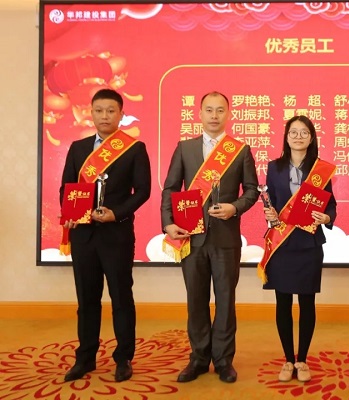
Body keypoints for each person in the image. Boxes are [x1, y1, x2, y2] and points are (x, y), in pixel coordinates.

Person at [161, 91, 259, 384]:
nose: (214, 115)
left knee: (226, 301)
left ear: (228, 114)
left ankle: (224, 360)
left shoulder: (240, 150)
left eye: (220, 110)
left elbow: (251, 190)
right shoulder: (185, 148)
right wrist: (168, 223)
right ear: (200, 113)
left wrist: (234, 207)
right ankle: (199, 359)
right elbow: (170, 188)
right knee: (196, 300)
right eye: (209, 110)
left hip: (226, 238)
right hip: (191, 237)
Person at [59, 88, 151, 382]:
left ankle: (123, 358)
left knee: (121, 297)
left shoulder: (134, 149)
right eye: (99, 110)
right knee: (86, 299)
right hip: (83, 236)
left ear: (121, 114)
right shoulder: (78, 148)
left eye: (111, 111)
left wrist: (117, 213)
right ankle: (85, 357)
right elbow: (66, 187)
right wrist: (70, 212)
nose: (105, 116)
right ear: (91, 113)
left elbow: (143, 191)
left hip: (116, 234)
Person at [260, 116, 337, 383]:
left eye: (304, 132)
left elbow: (331, 205)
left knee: (306, 302)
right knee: (282, 302)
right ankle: (288, 359)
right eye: (293, 132)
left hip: (308, 244)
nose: (298, 136)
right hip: (282, 244)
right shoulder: (274, 167)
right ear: (286, 137)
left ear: (312, 137)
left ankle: (302, 359)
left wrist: (327, 217)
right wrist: (269, 213)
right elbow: (271, 201)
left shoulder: (320, 169)